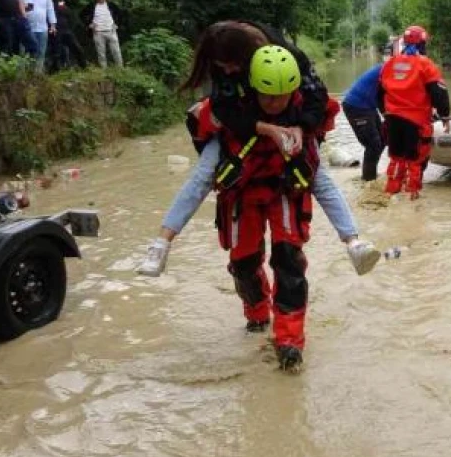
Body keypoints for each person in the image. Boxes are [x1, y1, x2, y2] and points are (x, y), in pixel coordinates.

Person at [136, 21, 380, 277]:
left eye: (232, 64)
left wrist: (301, 127)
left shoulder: (289, 56)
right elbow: (223, 109)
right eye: (222, 65)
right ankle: (162, 242)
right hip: (241, 123)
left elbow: (316, 95)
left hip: (291, 121)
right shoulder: (225, 69)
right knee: (203, 174)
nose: (228, 70)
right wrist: (265, 128)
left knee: (318, 175)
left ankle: (353, 241)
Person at [189, 45, 317, 371]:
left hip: (285, 193)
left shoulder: (305, 112)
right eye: (268, 97)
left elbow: (324, 184)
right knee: (243, 262)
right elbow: (198, 181)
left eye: (282, 97)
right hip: (243, 196)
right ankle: (257, 314)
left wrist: (351, 238)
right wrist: (164, 238)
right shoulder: (228, 109)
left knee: (289, 262)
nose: (275, 104)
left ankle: (289, 342)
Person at [377, 24, 450, 198]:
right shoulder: (425, 64)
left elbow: (379, 92)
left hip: (393, 119)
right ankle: (413, 200)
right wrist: (445, 115)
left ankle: (391, 193)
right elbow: (439, 93)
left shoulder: (390, 64)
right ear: (423, 43)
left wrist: (386, 112)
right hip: (415, 121)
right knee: (415, 161)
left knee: (396, 158)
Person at [341, 62, 386, 181]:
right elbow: (384, 96)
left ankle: (371, 174)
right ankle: (368, 181)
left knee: (382, 138)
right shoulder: (388, 70)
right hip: (356, 106)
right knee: (373, 144)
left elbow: (382, 97)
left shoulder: (392, 68)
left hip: (368, 106)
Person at [19, 0, 57, 72]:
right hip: (26, 29)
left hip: (42, 28)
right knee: (25, 53)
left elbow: (50, 9)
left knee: (41, 52)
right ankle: (23, 74)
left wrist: (52, 25)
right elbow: (16, 10)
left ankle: (37, 74)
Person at [80, 0, 125, 68]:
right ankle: (104, 71)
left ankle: (120, 69)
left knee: (116, 51)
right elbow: (81, 15)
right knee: (101, 53)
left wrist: (117, 24)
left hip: (111, 31)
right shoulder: (91, 5)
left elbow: (121, 14)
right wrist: (89, 24)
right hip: (98, 32)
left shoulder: (111, 5)